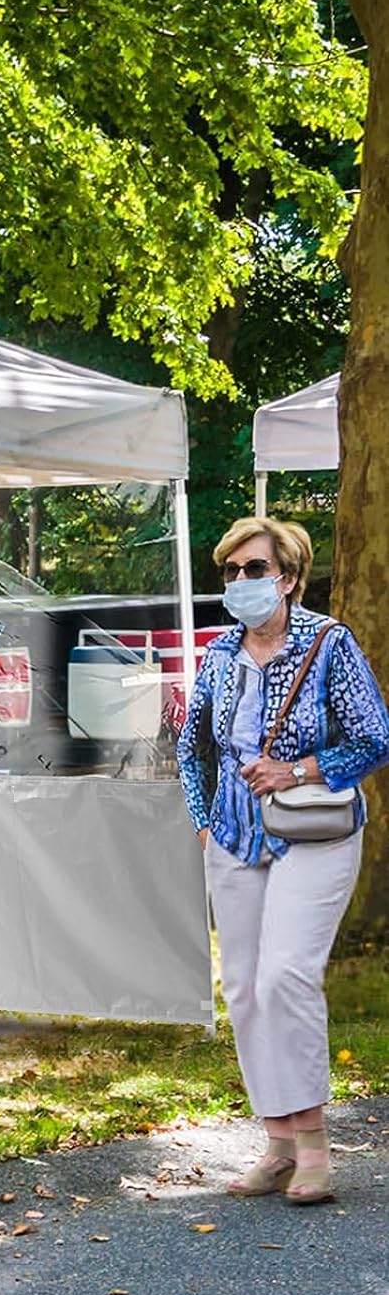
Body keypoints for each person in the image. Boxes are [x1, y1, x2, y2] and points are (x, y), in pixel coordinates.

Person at [178, 516, 389, 1204]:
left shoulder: (328, 643)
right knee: (242, 988)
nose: (240, 581)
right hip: (236, 837)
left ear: (290, 577)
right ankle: (275, 1142)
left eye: (255, 569)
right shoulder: (218, 653)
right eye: (231, 570)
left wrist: (298, 770)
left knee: (286, 977)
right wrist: (206, 820)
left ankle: (314, 1147)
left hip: (314, 832)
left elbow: (374, 738)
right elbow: (192, 747)